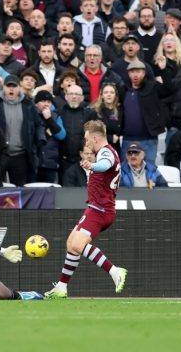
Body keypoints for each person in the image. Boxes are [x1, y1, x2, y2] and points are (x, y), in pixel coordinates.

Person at [45, 120, 128, 299]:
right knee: (71, 244)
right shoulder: (104, 151)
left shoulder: (106, 152)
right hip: (95, 208)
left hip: (101, 210)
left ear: (95, 138)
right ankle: (61, 286)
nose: (86, 142)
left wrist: (92, 166)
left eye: (87, 138)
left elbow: (105, 164)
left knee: (77, 245)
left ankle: (115, 271)